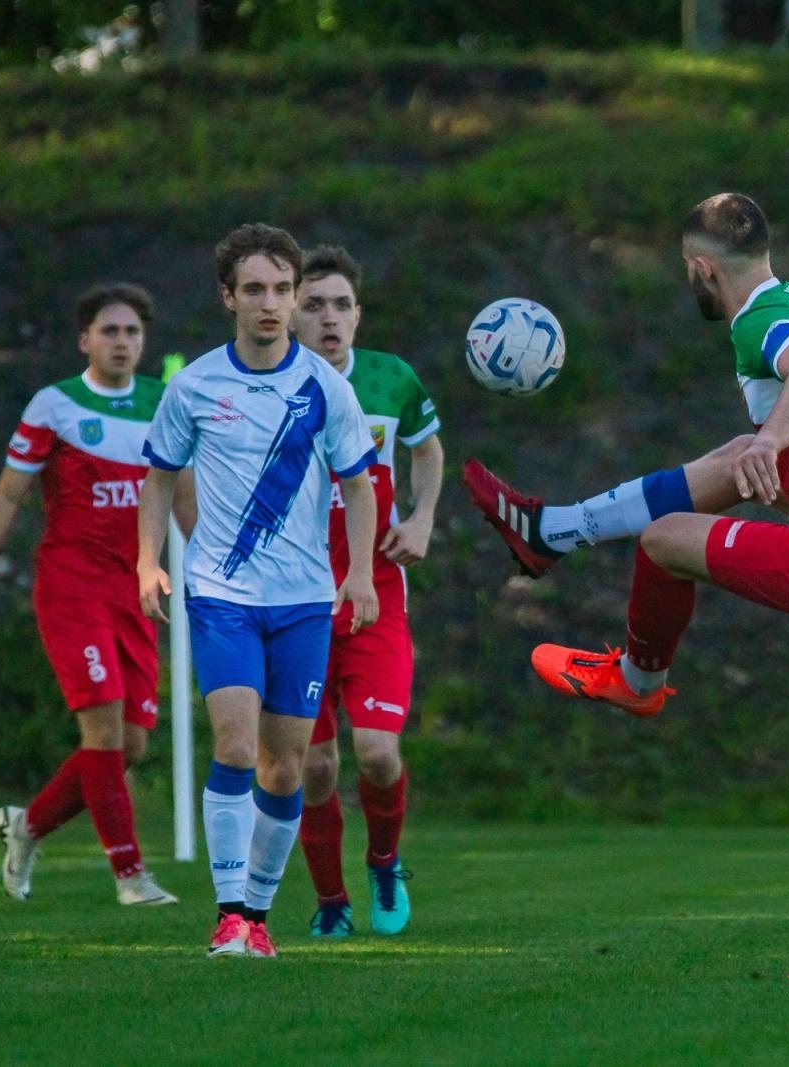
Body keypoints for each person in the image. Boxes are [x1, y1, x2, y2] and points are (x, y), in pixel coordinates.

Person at [462, 192, 789, 980]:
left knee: (666, 541)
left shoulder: (762, 321)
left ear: (701, 268)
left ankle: (636, 680)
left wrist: (772, 438)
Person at [136, 223, 381, 959]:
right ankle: (229, 915)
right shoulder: (194, 385)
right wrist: (148, 560)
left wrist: (360, 573)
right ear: (228, 297)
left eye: (281, 290)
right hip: (221, 593)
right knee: (237, 747)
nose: (270, 303)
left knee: (285, 766)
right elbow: (158, 478)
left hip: (303, 601)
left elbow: (359, 486)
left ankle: (261, 916)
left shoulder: (326, 388)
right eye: (255, 290)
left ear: (295, 295)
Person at [0, 283, 185, 907]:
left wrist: (211, 569)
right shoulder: (55, 406)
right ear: (85, 340)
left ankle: (26, 826)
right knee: (102, 731)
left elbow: (182, 492)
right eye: (110, 331)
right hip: (72, 589)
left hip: (136, 592)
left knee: (130, 745)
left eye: (132, 332)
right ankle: (131, 876)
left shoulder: (164, 403)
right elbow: (8, 495)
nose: (122, 342)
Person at [289, 245, 444, 938]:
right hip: (293, 599)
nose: (329, 317)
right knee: (315, 767)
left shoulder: (389, 378)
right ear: (290, 312)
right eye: (314, 304)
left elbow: (428, 448)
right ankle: (331, 901)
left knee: (378, 753)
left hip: (374, 589)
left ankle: (384, 862)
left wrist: (423, 516)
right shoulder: (268, 386)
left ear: (358, 315)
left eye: (341, 305)